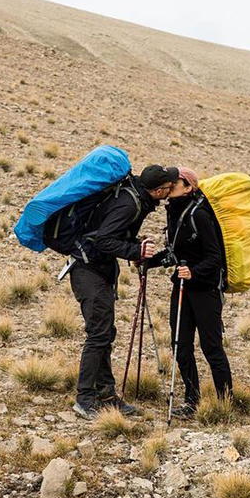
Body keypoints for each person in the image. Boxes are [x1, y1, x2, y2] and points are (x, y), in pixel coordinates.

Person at [70, 164, 179, 420]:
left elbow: (111, 234)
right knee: (98, 334)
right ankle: (85, 399)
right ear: (156, 190)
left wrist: (136, 243)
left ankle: (106, 396)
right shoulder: (129, 204)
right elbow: (104, 240)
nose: (169, 190)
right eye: (167, 188)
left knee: (104, 332)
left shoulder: (135, 197)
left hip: (96, 269)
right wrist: (136, 252)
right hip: (89, 270)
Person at [150, 166, 232, 418]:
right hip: (183, 287)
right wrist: (148, 262)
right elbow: (175, 252)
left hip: (205, 289)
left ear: (189, 187)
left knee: (211, 346)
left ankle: (225, 402)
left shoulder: (199, 215)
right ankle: (191, 400)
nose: (171, 185)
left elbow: (215, 257)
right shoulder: (174, 212)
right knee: (180, 345)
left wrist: (193, 271)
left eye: (176, 182)